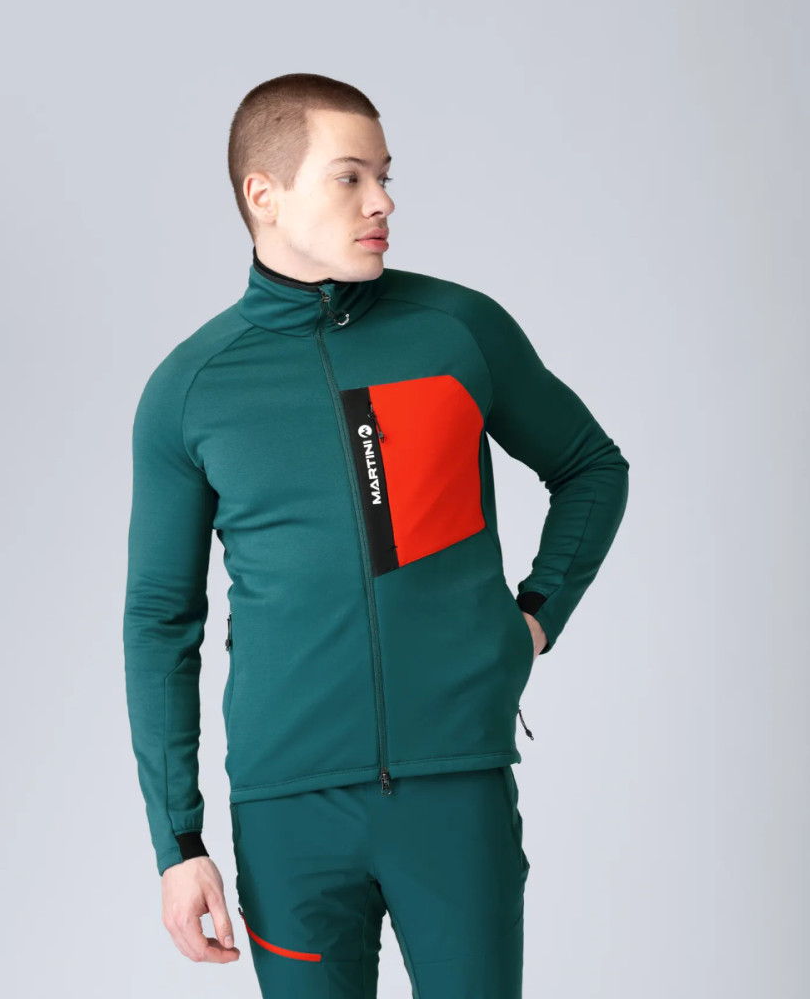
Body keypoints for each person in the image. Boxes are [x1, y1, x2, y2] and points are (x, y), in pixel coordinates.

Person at [122, 72, 630, 997]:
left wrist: (535, 619)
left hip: (455, 788)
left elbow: (591, 466)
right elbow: (161, 623)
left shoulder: (457, 330)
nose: (383, 201)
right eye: (349, 177)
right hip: (289, 815)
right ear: (264, 194)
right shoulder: (192, 389)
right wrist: (178, 842)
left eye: (385, 176)